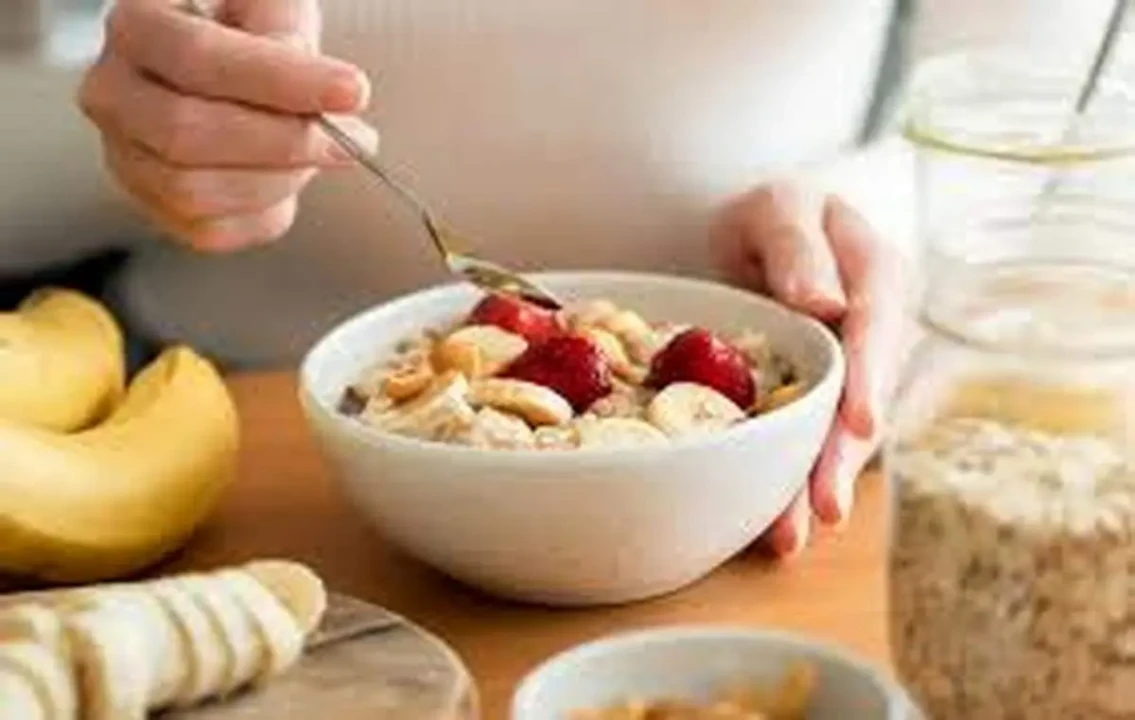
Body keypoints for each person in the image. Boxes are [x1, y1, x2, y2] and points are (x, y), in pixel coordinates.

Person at [5, 0, 1114, 557]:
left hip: (761, 469)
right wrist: (124, 141)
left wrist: (865, 221)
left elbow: (1060, 116)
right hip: (215, 447)